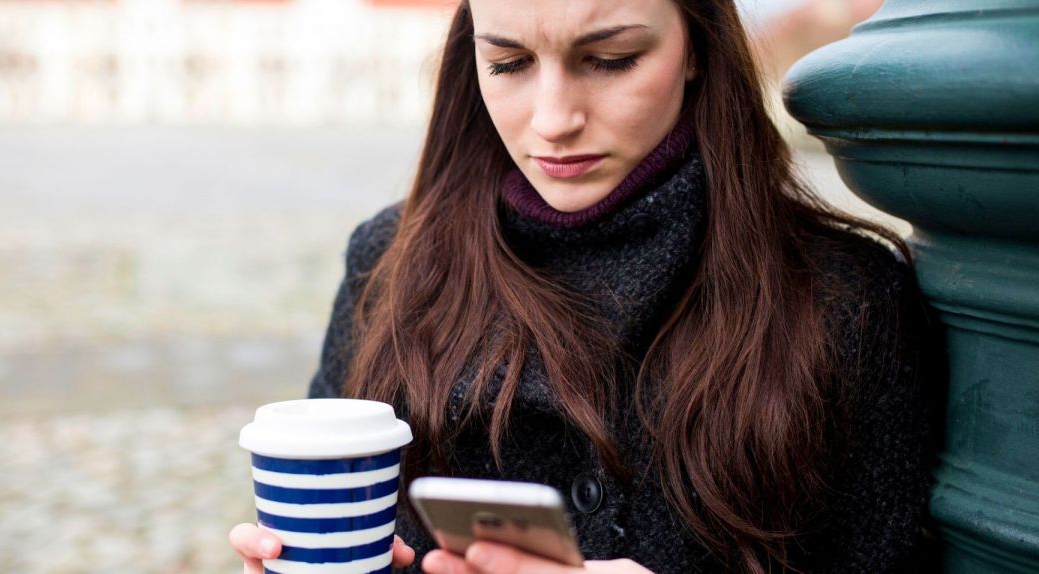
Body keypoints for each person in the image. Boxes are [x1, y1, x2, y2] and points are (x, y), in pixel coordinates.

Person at [230, 0, 942, 572]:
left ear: (696, 46)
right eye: (507, 62)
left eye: (610, 59)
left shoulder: (847, 300)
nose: (553, 119)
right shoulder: (388, 263)